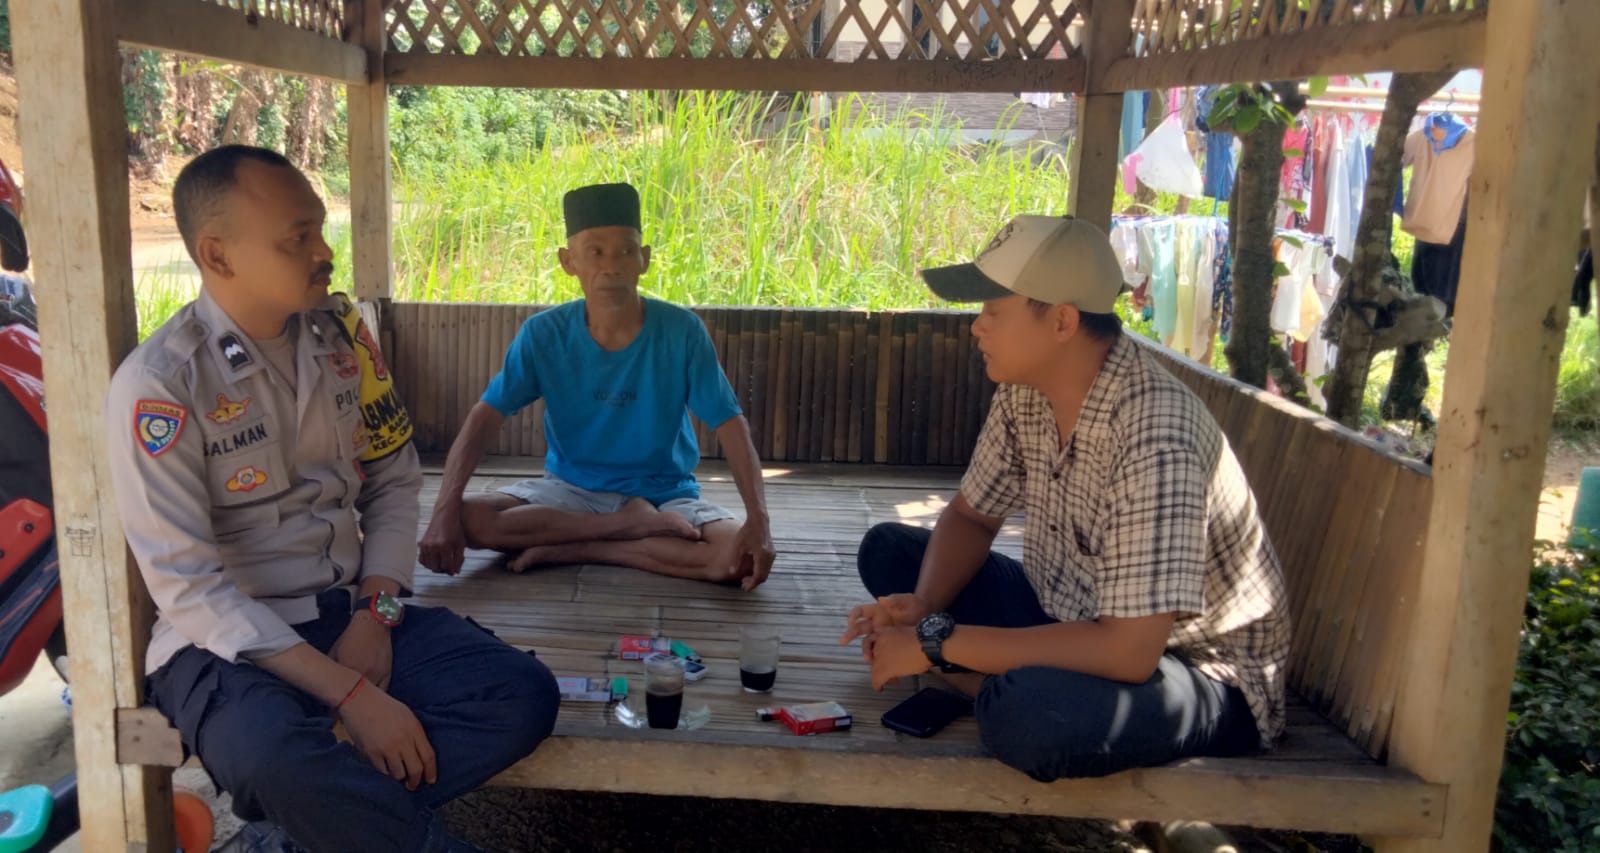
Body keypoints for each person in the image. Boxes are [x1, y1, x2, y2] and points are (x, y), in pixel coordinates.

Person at [106, 145, 559, 853]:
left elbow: (395, 478)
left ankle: (305, 832)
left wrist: (377, 615)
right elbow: (189, 586)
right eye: (298, 238)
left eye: (320, 229)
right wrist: (353, 696)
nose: (324, 252)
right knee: (273, 760)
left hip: (348, 612)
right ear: (217, 254)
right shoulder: (162, 384)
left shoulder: (343, 337)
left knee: (521, 694)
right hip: (227, 647)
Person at [840, 215, 1289, 781]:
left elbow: (1128, 652)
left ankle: (981, 680)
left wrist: (935, 644)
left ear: (1061, 321)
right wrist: (926, 606)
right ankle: (985, 673)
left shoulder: (1154, 437)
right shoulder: (1027, 391)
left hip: (1189, 670)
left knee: (1026, 714)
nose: (977, 327)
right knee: (889, 551)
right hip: (1070, 611)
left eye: (993, 310)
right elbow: (972, 518)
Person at [420, 182, 775, 590]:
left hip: (664, 494)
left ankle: (583, 548)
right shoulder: (544, 334)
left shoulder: (682, 332)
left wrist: (758, 520)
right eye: (595, 252)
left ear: (644, 259)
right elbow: (485, 416)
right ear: (568, 261)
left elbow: (730, 423)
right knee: (467, 519)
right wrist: (442, 512)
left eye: (626, 251)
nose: (611, 266)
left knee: (740, 559)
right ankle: (626, 527)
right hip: (570, 493)